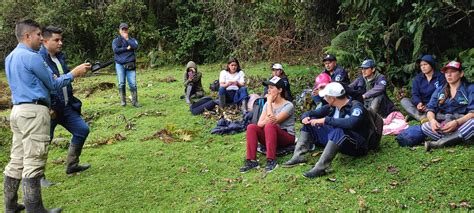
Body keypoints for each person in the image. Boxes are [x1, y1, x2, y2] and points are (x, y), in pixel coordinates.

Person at [3, 19, 89, 212]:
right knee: (34, 161)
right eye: (38, 35)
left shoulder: (10, 57)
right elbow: (53, 84)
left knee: (17, 159)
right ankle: (36, 209)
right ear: (27, 36)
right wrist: (74, 73)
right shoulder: (32, 57)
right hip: (34, 112)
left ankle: (10, 205)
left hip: (17, 111)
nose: (41, 38)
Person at [39, 26, 92, 187]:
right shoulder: (39, 60)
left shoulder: (59, 57)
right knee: (44, 142)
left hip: (66, 105)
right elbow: (44, 84)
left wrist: (78, 71)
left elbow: (64, 78)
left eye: (61, 39)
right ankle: (38, 177)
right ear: (45, 40)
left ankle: (72, 165)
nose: (60, 43)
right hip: (51, 109)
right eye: (56, 40)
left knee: (82, 130)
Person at [290, 82, 372, 178]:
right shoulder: (331, 107)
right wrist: (305, 117)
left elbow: (351, 122)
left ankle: (320, 168)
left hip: (357, 146)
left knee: (339, 130)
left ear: (332, 98)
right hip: (337, 140)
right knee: (310, 122)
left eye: (325, 96)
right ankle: (298, 156)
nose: (324, 98)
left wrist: (326, 120)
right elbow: (310, 113)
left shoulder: (356, 107)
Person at [240, 76, 296, 173]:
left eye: (271, 88)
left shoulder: (288, 105)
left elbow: (274, 121)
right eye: (268, 88)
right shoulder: (267, 105)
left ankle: (271, 161)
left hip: (286, 137)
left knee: (270, 125)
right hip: (270, 135)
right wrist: (268, 112)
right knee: (251, 127)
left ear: (280, 90)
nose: (268, 91)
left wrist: (269, 102)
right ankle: (251, 161)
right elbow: (260, 124)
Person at [422, 61, 473, 151]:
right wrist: (432, 120)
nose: (449, 75)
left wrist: (456, 123)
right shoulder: (439, 90)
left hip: (463, 123)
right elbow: (430, 109)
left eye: (452, 72)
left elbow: (473, 112)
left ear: (461, 74)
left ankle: (439, 143)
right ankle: (458, 138)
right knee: (425, 126)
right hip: (446, 125)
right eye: (446, 72)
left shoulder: (470, 88)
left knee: (472, 123)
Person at [401, 55, 446, 122]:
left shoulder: (440, 77)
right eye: (421, 65)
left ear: (431, 65)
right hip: (422, 105)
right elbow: (415, 94)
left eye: (425, 64)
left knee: (443, 109)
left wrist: (428, 106)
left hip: (435, 105)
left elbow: (443, 94)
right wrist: (419, 103)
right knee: (404, 101)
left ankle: (416, 116)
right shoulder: (417, 79)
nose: (423, 67)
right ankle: (421, 117)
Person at [112, 22, 140, 107]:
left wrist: (127, 39)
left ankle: (135, 102)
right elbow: (116, 50)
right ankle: (123, 101)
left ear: (128, 30)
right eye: (122, 29)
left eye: (125, 29)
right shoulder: (116, 40)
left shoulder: (132, 40)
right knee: (121, 83)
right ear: (119, 30)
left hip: (130, 63)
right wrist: (126, 48)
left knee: (132, 83)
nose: (124, 30)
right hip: (119, 64)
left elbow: (135, 46)